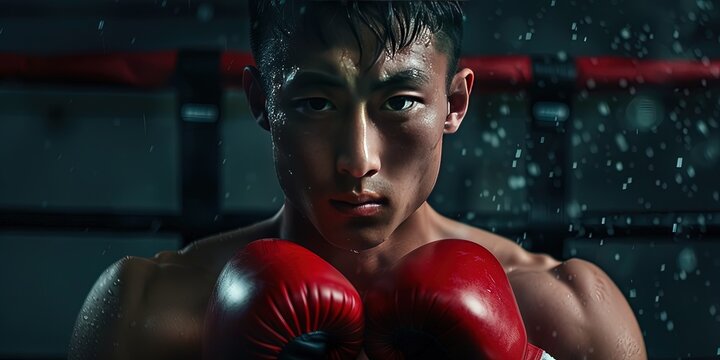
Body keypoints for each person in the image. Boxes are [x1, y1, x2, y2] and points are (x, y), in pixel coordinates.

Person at [69, 2, 647, 359]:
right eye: (316, 103)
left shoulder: (569, 314)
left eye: (398, 101)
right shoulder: (147, 310)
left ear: (456, 102)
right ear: (263, 103)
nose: (357, 160)